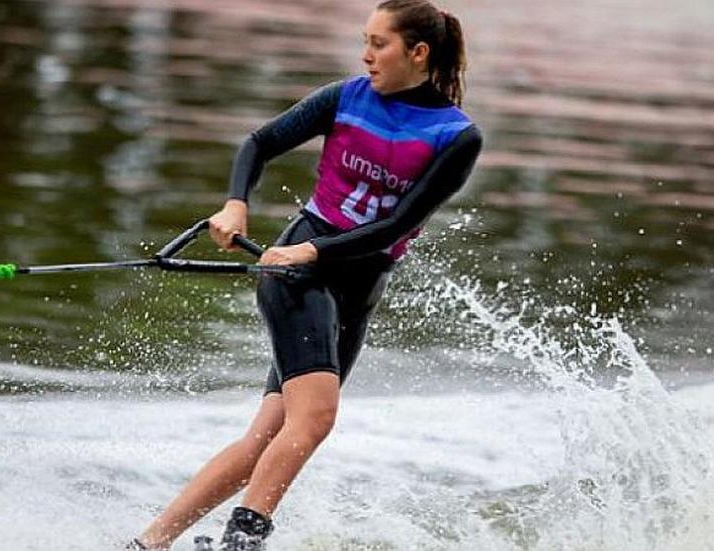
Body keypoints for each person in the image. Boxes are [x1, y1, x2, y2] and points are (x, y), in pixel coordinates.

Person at [129, 1, 482, 549]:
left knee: (271, 436)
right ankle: (242, 542)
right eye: (364, 40)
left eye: (380, 44)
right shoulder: (345, 97)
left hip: (355, 284)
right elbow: (259, 143)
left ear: (419, 53)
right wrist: (234, 206)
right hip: (295, 268)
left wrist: (315, 254)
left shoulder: (457, 136)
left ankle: (148, 543)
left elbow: (396, 226)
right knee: (314, 419)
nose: (366, 55)